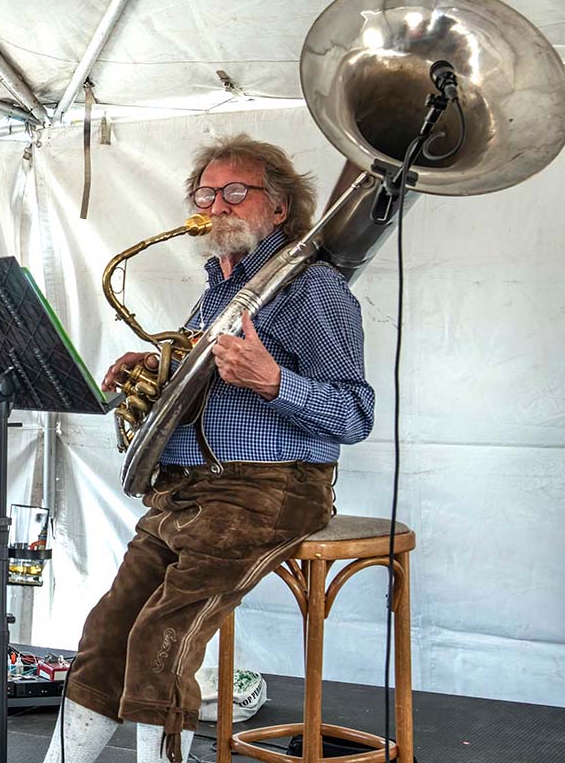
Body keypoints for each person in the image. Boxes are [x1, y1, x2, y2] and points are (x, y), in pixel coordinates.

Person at [43, 135, 375, 763]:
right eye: (205, 194)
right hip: (190, 489)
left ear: (278, 209)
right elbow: (206, 388)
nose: (216, 205)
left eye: (234, 193)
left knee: (161, 633)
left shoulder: (313, 289)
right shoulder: (218, 290)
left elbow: (355, 415)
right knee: (106, 630)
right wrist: (155, 368)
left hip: (270, 487)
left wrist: (273, 380)